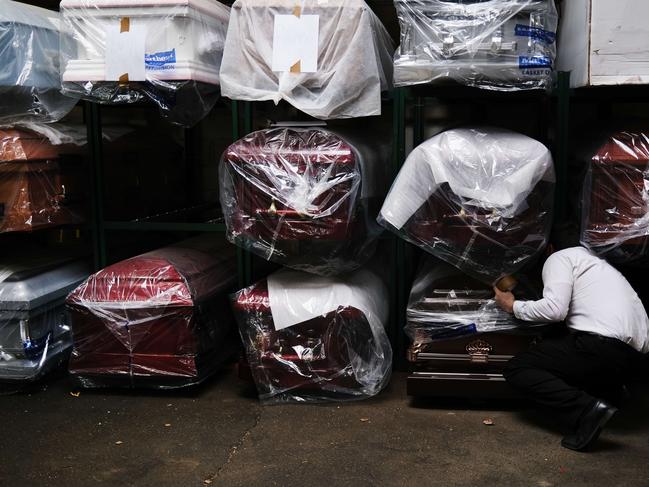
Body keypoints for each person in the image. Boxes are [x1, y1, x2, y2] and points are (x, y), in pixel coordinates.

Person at [493, 245, 649, 451]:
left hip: (601, 347)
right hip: (633, 359)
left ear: (548, 247)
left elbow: (554, 309)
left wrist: (512, 306)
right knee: (559, 344)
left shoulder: (559, 257)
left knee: (519, 368)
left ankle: (587, 411)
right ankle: (612, 393)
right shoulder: (596, 264)